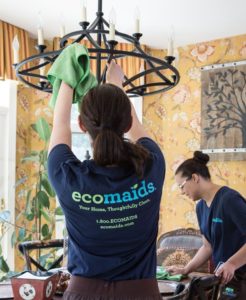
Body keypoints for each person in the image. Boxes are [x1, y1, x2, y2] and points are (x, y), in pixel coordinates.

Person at [47, 61, 165, 300]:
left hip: (83, 294)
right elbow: (137, 129)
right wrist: (115, 83)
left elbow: (60, 125)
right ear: (128, 123)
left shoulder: (68, 178)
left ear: (81, 124)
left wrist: (68, 78)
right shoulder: (152, 165)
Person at [167, 151, 246, 299]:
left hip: (241, 277)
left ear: (195, 178)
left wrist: (232, 264)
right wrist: (186, 269)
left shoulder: (229, 200)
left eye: (181, 186)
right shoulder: (200, 207)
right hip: (224, 278)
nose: (182, 192)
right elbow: (207, 246)